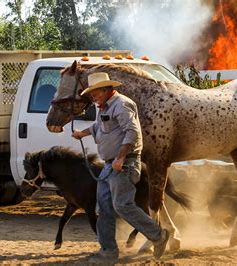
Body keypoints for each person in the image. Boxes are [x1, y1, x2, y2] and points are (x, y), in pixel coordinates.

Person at [72, 72, 169, 263]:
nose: (92, 96)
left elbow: (132, 132)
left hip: (123, 164)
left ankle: (158, 235)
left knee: (121, 205)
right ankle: (108, 251)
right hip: (111, 165)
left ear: (107, 89)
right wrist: (82, 133)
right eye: (91, 92)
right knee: (104, 208)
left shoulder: (122, 104)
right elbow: (98, 127)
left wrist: (121, 157)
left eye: (95, 92)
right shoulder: (104, 107)